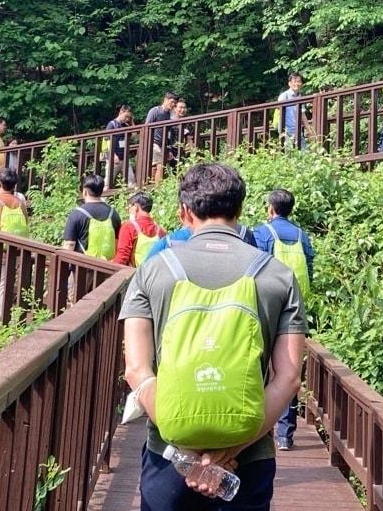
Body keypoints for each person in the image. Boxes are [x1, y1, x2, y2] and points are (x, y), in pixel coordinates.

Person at [120, 162, 306, 511]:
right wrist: (226, 453)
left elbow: (137, 371)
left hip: (168, 457)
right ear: (240, 210)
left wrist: (189, 452)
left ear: (184, 212)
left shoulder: (152, 271)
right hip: (248, 459)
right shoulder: (277, 275)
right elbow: (289, 376)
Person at [252, 188, 315, 452]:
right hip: (295, 306)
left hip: (265, 305)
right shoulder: (303, 236)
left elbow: (253, 267)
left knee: (261, 365)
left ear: (270, 208)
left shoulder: (263, 233)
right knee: (288, 368)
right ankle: (285, 435)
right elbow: (310, 269)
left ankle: (258, 426)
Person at [61, 173, 121, 259]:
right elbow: (117, 242)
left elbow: (69, 244)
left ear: (85, 191)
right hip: (107, 267)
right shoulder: (113, 213)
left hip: (82, 267)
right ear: (101, 191)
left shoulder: (76, 214)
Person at [114, 191, 166, 266]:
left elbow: (122, 257)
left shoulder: (128, 227)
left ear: (136, 207)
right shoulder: (160, 230)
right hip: (154, 274)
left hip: (135, 274)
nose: (128, 210)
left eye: (130, 207)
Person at [145, 92, 178, 183]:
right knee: (160, 164)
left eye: (175, 103)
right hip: (154, 142)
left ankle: (152, 187)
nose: (173, 105)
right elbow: (146, 127)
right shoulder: (155, 111)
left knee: (156, 166)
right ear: (165, 100)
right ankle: (158, 188)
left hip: (164, 145)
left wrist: (169, 149)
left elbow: (170, 133)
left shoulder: (169, 115)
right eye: (172, 102)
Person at [274, 72, 310, 149]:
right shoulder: (284, 96)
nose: (297, 83)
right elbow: (279, 112)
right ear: (289, 83)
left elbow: (302, 115)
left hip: (297, 130)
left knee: (304, 152)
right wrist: (281, 130)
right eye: (294, 81)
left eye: (299, 81)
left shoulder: (300, 97)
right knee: (289, 153)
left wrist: (308, 129)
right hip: (286, 130)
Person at [104, 105, 135, 188]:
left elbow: (134, 136)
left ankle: (133, 199)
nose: (127, 119)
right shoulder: (112, 124)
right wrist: (113, 155)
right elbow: (107, 141)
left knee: (131, 181)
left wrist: (131, 122)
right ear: (121, 112)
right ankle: (103, 200)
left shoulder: (126, 125)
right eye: (126, 116)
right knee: (108, 182)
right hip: (114, 158)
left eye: (129, 117)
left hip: (124, 158)